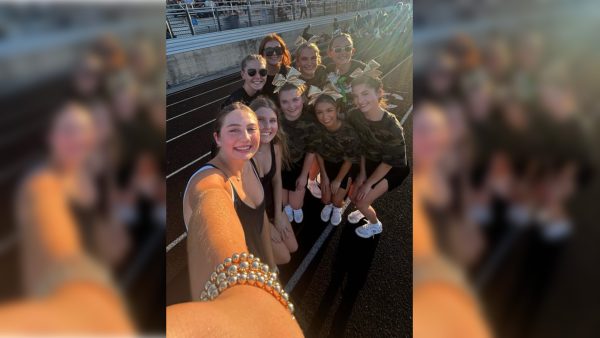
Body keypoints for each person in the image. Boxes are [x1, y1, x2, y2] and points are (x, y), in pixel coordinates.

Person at [7, 102, 133, 333]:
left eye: (83, 131)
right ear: (51, 137)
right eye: (68, 130)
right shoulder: (40, 185)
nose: (77, 138)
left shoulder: (93, 177)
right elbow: (58, 258)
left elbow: (116, 247)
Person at [183, 103, 277, 299]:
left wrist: (272, 267)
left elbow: (261, 220)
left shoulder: (248, 162)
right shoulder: (208, 181)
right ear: (217, 138)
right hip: (241, 289)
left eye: (251, 129)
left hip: (259, 267)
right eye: (234, 130)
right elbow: (209, 199)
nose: (246, 137)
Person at [347, 68, 409, 238]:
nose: (360, 100)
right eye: (356, 96)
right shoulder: (356, 116)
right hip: (371, 160)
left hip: (393, 167)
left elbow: (389, 163)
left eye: (365, 93)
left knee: (361, 201)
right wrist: (362, 174)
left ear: (379, 93)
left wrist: (368, 184)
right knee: (354, 196)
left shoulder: (392, 127)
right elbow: (361, 145)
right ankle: (364, 209)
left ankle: (375, 225)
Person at [249, 97, 298, 264]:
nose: (267, 127)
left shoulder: (275, 146)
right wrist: (267, 226)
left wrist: (278, 215)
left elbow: (277, 180)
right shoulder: (243, 155)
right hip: (253, 213)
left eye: (272, 120)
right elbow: (246, 199)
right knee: (284, 258)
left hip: (271, 206)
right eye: (260, 120)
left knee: (293, 247)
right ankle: (252, 249)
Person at [308, 85, 360, 226]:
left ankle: (337, 207)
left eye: (329, 110)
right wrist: (324, 176)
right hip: (328, 165)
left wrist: (337, 180)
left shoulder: (348, 131)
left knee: (337, 200)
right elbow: (318, 152)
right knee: (325, 200)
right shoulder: (318, 129)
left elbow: (349, 159)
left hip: (345, 167)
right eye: (320, 112)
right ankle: (329, 205)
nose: (325, 117)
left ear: (337, 110)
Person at [274, 70, 317, 224]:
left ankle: (296, 208)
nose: (291, 106)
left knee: (296, 203)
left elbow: (311, 151)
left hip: (299, 166)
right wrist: (276, 173)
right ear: (279, 103)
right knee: (284, 203)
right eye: (285, 102)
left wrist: (304, 175)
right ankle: (289, 208)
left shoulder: (310, 121)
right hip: (281, 166)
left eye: (295, 99)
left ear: (302, 99)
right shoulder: (276, 120)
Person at [325, 32, 365, 108]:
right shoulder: (328, 70)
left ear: (352, 51)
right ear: (329, 53)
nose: (343, 52)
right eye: (338, 49)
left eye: (347, 48)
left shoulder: (362, 69)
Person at [258, 33, 292, 101]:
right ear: (262, 53)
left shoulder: (290, 72)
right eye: (269, 51)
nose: (274, 53)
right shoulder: (257, 76)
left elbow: (302, 97)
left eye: (278, 50)